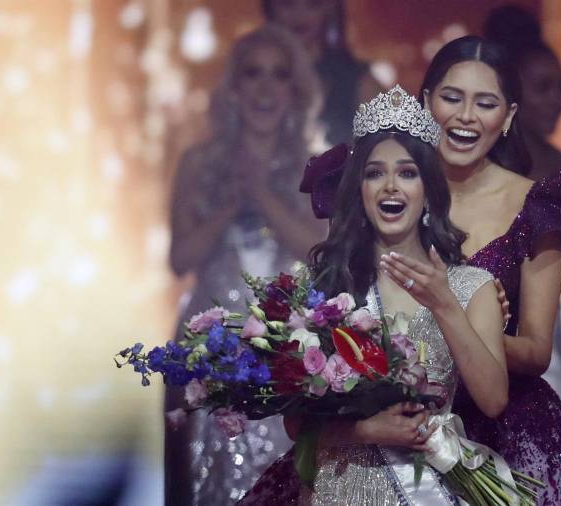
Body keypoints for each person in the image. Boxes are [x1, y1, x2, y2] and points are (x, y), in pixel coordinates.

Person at [242, 86, 509, 505]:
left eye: (407, 173)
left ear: (428, 190)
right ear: (359, 190)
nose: (390, 187)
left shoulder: (471, 286)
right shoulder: (324, 286)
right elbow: (295, 425)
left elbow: (493, 400)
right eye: (374, 173)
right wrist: (367, 430)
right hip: (337, 489)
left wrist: (443, 303)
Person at [416, 36, 561, 504]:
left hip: (503, 433)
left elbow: (537, 349)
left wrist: (454, 328)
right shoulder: (389, 192)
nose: (466, 116)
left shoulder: (537, 205)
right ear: (427, 101)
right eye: (452, 98)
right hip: (398, 418)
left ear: (508, 117)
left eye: (485, 104)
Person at [164, 26, 323, 505]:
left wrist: (262, 194)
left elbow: (319, 252)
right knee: (208, 485)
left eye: (279, 75)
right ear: (234, 87)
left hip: (286, 350)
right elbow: (180, 258)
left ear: (294, 90)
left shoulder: (313, 166)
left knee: (282, 485)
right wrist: (230, 203)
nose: (265, 88)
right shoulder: (199, 163)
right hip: (208, 348)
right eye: (253, 74)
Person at [484, 3, 561, 407]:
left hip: (541, 344)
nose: (557, 101)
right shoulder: (465, 168)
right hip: (462, 336)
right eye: (543, 88)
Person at [260, 0, 382, 146]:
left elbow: (391, 146)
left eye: (313, 4)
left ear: (329, 9)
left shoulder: (357, 80)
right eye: (288, 3)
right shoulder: (252, 76)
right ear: (271, 7)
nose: (299, 15)